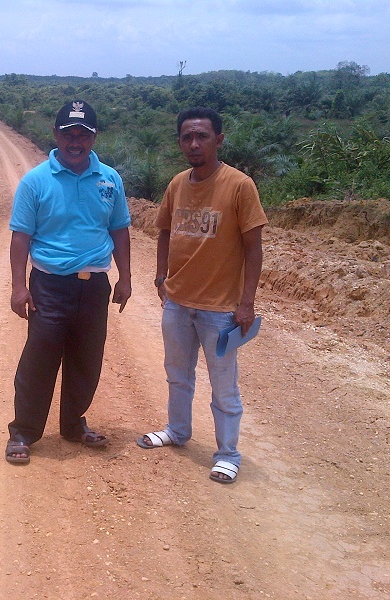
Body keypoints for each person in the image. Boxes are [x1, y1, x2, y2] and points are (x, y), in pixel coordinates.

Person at [137, 107, 267, 484]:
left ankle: (227, 453)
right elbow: (162, 231)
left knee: (223, 385)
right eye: (187, 137)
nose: (194, 143)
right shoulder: (177, 183)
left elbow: (253, 247)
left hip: (220, 310)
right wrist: (161, 277)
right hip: (177, 302)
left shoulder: (240, 185)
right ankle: (177, 431)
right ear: (180, 142)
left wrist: (246, 302)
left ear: (219, 140)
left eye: (202, 136)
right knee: (177, 375)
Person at [5, 100, 132, 465]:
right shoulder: (35, 181)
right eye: (68, 133)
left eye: (83, 134)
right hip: (49, 286)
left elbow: (119, 229)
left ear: (93, 137)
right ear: (56, 134)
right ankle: (24, 432)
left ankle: (73, 426)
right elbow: (21, 237)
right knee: (39, 361)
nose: (75, 141)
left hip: (94, 286)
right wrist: (18, 286)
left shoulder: (110, 179)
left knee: (87, 360)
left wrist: (125, 277)